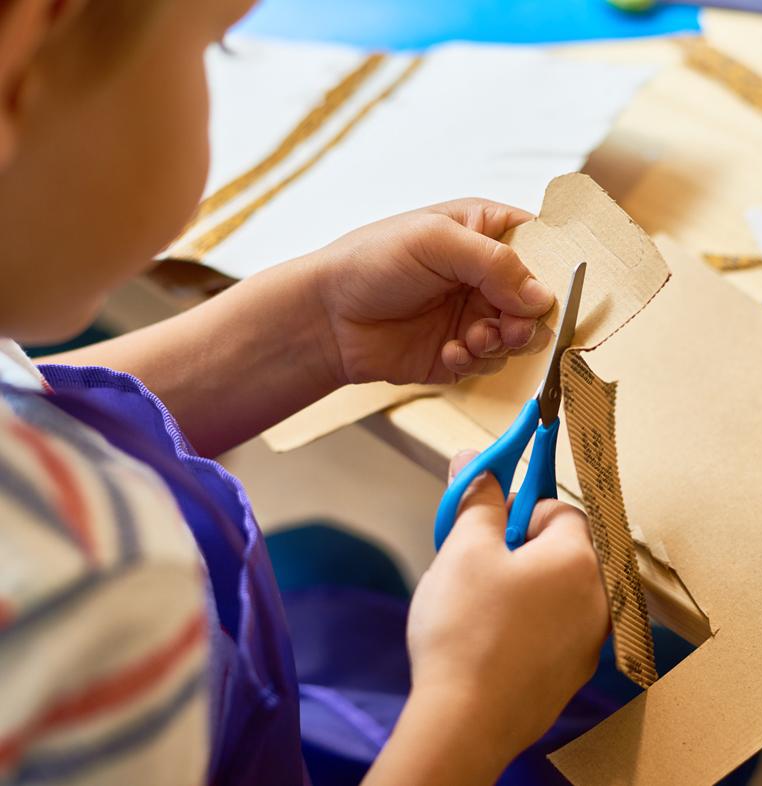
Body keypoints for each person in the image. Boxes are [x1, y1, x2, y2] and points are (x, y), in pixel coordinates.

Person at [0, 1, 609, 784]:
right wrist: (471, 713)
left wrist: (314, 329)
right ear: (21, 64)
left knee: (331, 558)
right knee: (647, 682)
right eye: (213, 49)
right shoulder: (86, 596)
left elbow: (27, 411)